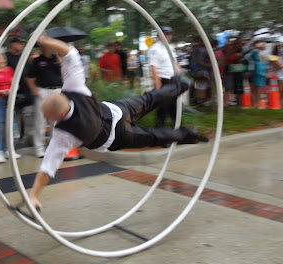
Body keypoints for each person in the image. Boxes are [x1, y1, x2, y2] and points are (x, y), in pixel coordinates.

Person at [29, 35, 208, 209]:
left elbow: (48, 167)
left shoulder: (63, 134)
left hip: (118, 136)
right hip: (119, 110)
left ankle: (190, 135)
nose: (47, 119)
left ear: (57, 116)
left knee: (154, 136)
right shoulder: (73, 88)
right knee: (150, 99)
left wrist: (34, 195)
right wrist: (46, 41)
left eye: (47, 116)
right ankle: (182, 85)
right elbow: (70, 54)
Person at [26, 39, 63, 158]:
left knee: (56, 121)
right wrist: (36, 91)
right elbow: (29, 77)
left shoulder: (57, 60)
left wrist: (59, 59)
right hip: (43, 90)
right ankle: (39, 148)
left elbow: (64, 73)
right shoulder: (37, 61)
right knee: (40, 121)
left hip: (57, 90)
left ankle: (53, 146)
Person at [147, 26, 180, 128]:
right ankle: (160, 133)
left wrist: (178, 74)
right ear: (158, 36)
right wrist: (158, 87)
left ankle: (177, 130)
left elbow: (175, 62)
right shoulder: (155, 49)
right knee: (163, 109)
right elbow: (154, 69)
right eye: (165, 34)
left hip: (173, 80)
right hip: (163, 80)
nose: (167, 36)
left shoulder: (170, 47)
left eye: (169, 34)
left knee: (174, 108)